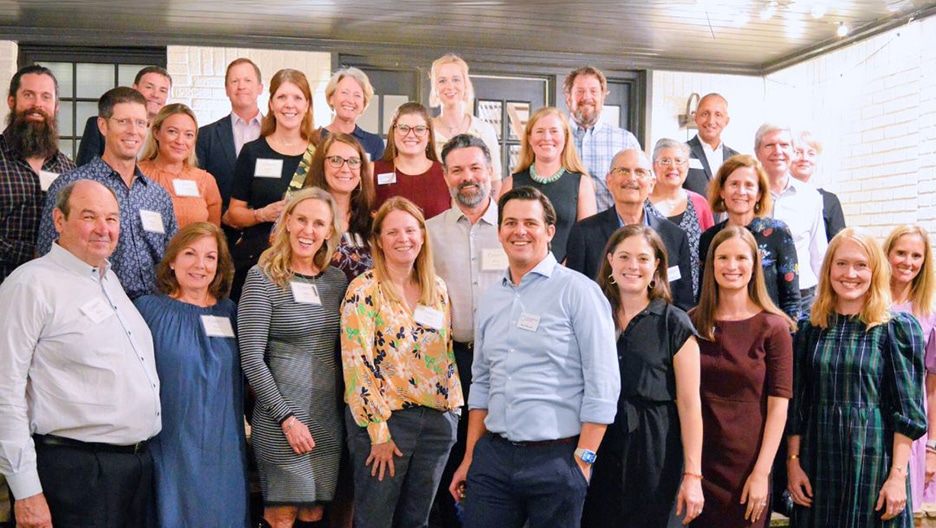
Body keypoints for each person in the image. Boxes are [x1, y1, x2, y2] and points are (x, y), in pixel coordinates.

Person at [449, 186, 620, 528]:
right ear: (499, 232)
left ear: (550, 231)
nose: (520, 231)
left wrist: (583, 461)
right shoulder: (492, 299)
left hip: (557, 460)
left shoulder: (579, 292)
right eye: (510, 222)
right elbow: (482, 382)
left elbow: (603, 384)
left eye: (530, 222)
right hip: (493, 460)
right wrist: (471, 455)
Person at [0, 179, 161, 528]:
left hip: (131, 469)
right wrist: (26, 490)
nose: (104, 229)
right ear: (59, 220)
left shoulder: (108, 280)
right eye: (89, 217)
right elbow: (5, 392)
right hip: (74, 472)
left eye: (112, 218)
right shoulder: (30, 284)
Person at [787, 228, 927, 528]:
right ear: (828, 270)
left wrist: (897, 477)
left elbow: (908, 412)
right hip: (818, 461)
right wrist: (793, 463)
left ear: (875, 270)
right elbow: (798, 404)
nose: (850, 273)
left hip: (874, 463)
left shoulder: (895, 329)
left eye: (861, 265)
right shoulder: (809, 329)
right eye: (842, 263)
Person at [341, 197, 463, 528]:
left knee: (418, 521)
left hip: (436, 424)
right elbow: (357, 365)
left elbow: (444, 351)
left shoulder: (435, 288)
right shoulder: (364, 290)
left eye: (410, 230)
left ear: (423, 236)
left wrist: (452, 413)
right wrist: (378, 432)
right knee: (375, 521)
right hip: (385, 426)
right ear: (378, 240)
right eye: (393, 232)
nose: (403, 238)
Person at [238, 187, 348, 528]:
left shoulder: (337, 280)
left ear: (329, 232)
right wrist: (287, 419)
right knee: (282, 515)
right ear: (287, 222)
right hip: (282, 421)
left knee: (314, 513)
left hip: (328, 421)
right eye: (301, 220)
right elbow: (251, 358)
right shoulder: (263, 277)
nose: (308, 230)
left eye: (318, 223)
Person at [580, 224, 704, 528]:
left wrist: (692, 475)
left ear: (657, 265)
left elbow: (689, 405)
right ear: (609, 260)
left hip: (655, 452)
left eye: (643, 258)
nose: (632, 266)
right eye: (624, 256)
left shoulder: (674, 323)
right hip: (598, 446)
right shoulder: (591, 316)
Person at [133, 222, 249, 528]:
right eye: (190, 254)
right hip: (170, 442)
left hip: (223, 444)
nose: (200, 265)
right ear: (172, 260)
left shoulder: (231, 313)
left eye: (210, 257)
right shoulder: (148, 310)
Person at [690, 226, 795, 528]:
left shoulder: (774, 327)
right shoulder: (691, 323)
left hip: (748, 466)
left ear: (755, 265)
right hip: (700, 464)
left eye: (741, 258)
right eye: (723, 257)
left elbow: (779, 407)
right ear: (711, 264)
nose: (732, 266)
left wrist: (762, 473)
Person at [426, 133, 502, 527]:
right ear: (445, 176)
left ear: (490, 172)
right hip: (448, 361)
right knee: (450, 455)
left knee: (495, 456)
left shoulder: (516, 226)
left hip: (506, 363)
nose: (467, 177)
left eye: (475, 168)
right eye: (457, 170)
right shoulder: (426, 232)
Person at [38, 86, 178, 300]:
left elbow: (172, 258)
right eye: (123, 122)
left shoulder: (159, 196)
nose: (133, 131)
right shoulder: (71, 186)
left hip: (153, 310)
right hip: (91, 305)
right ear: (103, 125)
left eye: (141, 123)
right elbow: (48, 253)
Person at [223, 68, 317, 301]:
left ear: (307, 106)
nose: (289, 105)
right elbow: (234, 213)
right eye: (282, 97)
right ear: (272, 104)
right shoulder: (253, 151)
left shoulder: (318, 154)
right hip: (257, 262)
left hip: (304, 264)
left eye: (297, 98)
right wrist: (261, 214)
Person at [565, 147, 695, 311]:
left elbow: (683, 303)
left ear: (651, 184)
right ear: (609, 181)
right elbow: (573, 296)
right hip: (602, 331)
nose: (631, 178)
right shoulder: (584, 233)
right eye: (623, 171)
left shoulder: (675, 237)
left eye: (640, 172)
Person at [699, 154, 800, 319]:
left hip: (768, 334)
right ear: (722, 191)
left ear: (759, 194)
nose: (741, 191)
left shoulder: (778, 233)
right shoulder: (709, 238)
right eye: (734, 184)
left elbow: (791, 300)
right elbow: (705, 295)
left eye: (749, 185)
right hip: (721, 332)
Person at [0, 64, 75, 284]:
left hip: (53, 291)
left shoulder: (68, 169)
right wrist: (33, 254)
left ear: (56, 107)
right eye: (28, 95)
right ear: (11, 102)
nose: (37, 105)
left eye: (45, 97)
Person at [884, 225, 936, 512]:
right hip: (875, 420)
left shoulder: (929, 313)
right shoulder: (870, 304)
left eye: (916, 255)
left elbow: (933, 387)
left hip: (913, 429)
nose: (908, 261)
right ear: (887, 254)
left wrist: (932, 448)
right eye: (901, 253)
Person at [503, 106, 597, 263]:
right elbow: (503, 235)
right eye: (539, 131)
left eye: (554, 131)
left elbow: (587, 240)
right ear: (530, 138)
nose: (547, 138)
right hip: (520, 275)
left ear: (566, 138)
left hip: (567, 276)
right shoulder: (511, 183)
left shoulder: (581, 184)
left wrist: (561, 273)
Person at [754, 123, 827, 316]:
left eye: (784, 145)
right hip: (756, 295)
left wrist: (825, 297)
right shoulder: (746, 193)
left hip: (802, 297)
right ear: (757, 152)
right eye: (769, 145)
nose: (777, 151)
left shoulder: (811, 196)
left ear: (793, 151)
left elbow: (818, 252)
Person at [564, 65, 641, 211]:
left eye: (593, 91)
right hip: (563, 230)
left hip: (611, 231)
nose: (587, 97)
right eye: (580, 91)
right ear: (568, 98)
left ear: (603, 97)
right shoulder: (554, 140)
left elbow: (640, 188)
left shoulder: (625, 141)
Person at [196, 58, 264, 221]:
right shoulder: (205, 136)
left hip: (267, 231)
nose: (241, 86)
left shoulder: (277, 132)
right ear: (226, 89)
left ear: (260, 88)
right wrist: (224, 215)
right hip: (222, 231)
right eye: (235, 81)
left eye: (248, 80)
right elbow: (198, 187)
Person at [303, 132, 375, 282]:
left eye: (354, 161)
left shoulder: (373, 222)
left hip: (362, 304)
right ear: (321, 166)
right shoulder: (300, 215)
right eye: (335, 160)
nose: (345, 168)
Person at [647, 138, 715, 297]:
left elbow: (710, 250)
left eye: (679, 161)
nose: (673, 167)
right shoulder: (642, 202)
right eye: (665, 161)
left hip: (694, 296)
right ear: (653, 166)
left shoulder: (700, 203)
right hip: (647, 292)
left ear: (687, 166)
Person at [139, 103, 222, 227]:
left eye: (188, 135)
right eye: (172, 132)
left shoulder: (206, 181)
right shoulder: (135, 174)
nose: (180, 141)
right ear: (156, 132)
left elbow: (213, 235)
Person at [429, 54, 502, 191]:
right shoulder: (425, 131)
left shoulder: (484, 130)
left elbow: (495, 183)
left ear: (465, 84)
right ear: (435, 87)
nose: (450, 86)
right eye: (442, 81)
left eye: (456, 80)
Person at [75, 66, 172, 167]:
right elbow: (83, 171)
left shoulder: (167, 133)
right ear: (135, 88)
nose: (155, 95)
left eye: (163, 90)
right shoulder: (99, 125)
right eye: (149, 87)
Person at [373, 102, 449, 219]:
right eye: (403, 128)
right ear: (393, 132)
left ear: (429, 136)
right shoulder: (372, 171)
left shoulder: (447, 174)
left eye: (419, 129)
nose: (411, 135)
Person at [317, 67, 385, 162]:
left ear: (364, 103)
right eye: (344, 93)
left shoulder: (374, 143)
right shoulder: (315, 138)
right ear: (331, 98)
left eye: (357, 95)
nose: (350, 100)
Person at [790, 131, 845, 242]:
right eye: (798, 152)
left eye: (811, 153)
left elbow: (838, 245)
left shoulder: (830, 201)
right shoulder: (774, 197)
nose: (804, 158)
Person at [683, 93, 740, 198]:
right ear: (695, 117)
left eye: (718, 115)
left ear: (726, 121)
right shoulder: (681, 153)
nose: (710, 121)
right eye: (705, 114)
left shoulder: (736, 159)